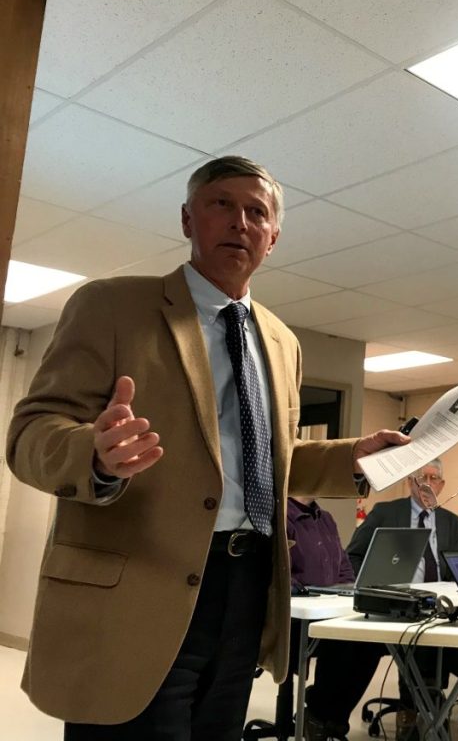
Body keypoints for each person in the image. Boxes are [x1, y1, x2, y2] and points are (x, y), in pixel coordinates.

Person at [5, 156, 408, 740]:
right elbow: (30, 432)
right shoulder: (112, 306)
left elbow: (274, 459)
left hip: (248, 590)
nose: (239, 221)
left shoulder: (281, 341)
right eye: (221, 204)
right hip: (137, 588)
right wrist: (94, 453)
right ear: (188, 218)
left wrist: (354, 456)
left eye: (256, 212)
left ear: (273, 238)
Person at [320, 460, 458, 741]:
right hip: (393, 603)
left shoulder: (453, 523)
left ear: (442, 485)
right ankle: (419, 714)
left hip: (437, 606)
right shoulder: (386, 512)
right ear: (409, 482)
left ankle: (423, 711)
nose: (427, 483)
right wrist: (373, 582)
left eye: (433, 478)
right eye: (420, 477)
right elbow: (353, 555)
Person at [286, 496, 370, 741]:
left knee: (370, 641)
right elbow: (279, 572)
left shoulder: (326, 518)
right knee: (344, 641)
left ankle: (328, 716)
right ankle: (321, 714)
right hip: (295, 617)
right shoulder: (282, 514)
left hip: (329, 611)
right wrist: (309, 592)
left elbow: (344, 567)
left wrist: (344, 591)